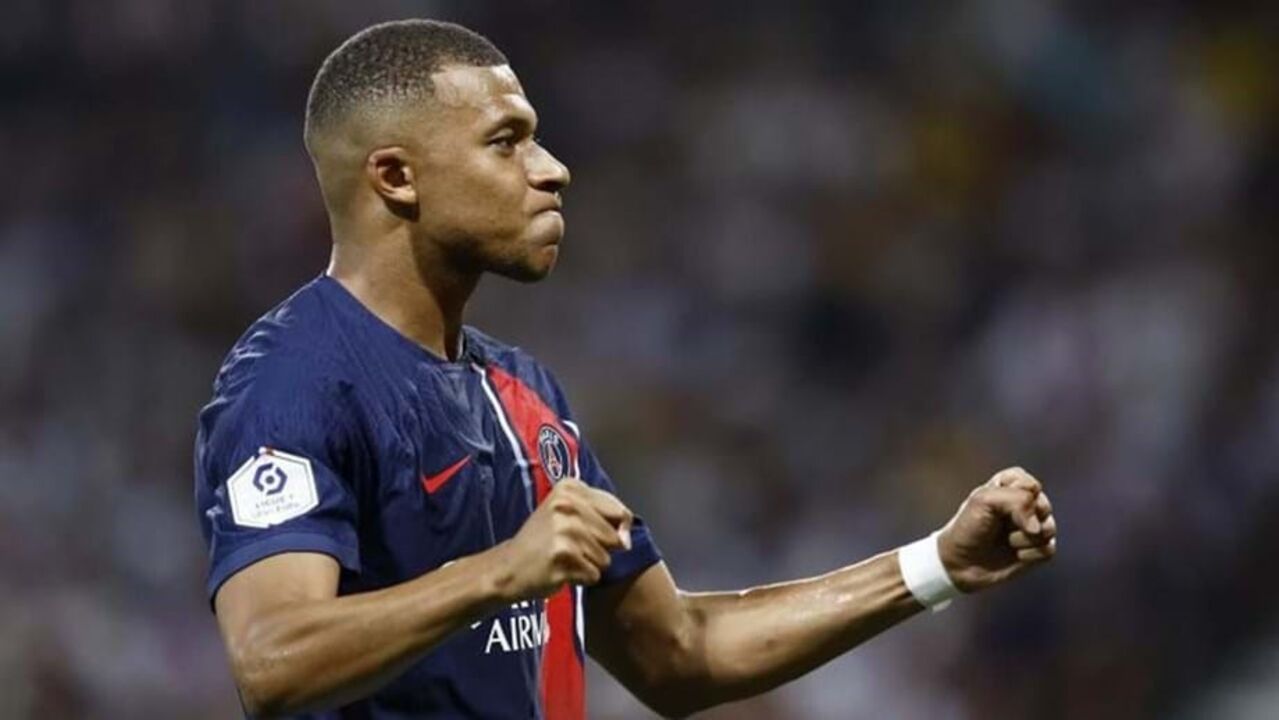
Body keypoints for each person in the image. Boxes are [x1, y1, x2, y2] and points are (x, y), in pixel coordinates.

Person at [194, 19, 1058, 720]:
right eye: (505, 141)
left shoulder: (523, 396)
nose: (552, 169)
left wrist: (936, 564)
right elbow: (272, 661)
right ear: (395, 176)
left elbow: (677, 654)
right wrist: (501, 572)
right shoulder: (293, 382)